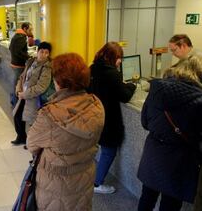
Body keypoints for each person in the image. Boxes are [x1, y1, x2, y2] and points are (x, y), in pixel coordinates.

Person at [27, 53, 105, 210]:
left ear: (58, 82)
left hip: (55, 182)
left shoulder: (49, 114)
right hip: (84, 176)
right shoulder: (96, 106)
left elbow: (32, 145)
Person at [137, 55, 202, 211]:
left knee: (147, 196)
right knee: (170, 204)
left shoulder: (156, 89)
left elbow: (145, 122)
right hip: (180, 160)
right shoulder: (199, 100)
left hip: (154, 153)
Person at [88, 42, 136, 194]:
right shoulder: (112, 74)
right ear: (112, 57)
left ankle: (91, 178)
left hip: (94, 116)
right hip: (109, 121)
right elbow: (125, 96)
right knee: (109, 151)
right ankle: (97, 183)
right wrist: (132, 86)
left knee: (100, 149)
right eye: (119, 57)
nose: (120, 61)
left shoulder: (92, 68)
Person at [11, 42, 52, 146]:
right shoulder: (31, 62)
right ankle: (21, 137)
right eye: (41, 51)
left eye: (46, 53)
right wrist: (18, 87)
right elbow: (22, 76)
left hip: (33, 98)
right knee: (17, 116)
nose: (43, 54)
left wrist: (24, 94)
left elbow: (41, 87)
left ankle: (31, 143)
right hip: (23, 95)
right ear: (37, 52)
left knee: (32, 121)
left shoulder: (47, 68)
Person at [9, 22, 33, 106]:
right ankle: (15, 102)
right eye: (30, 29)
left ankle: (13, 100)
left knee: (15, 82)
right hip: (19, 65)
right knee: (17, 84)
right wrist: (28, 57)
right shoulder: (21, 37)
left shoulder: (16, 35)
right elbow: (18, 52)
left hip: (14, 63)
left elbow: (11, 48)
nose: (31, 31)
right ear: (25, 29)